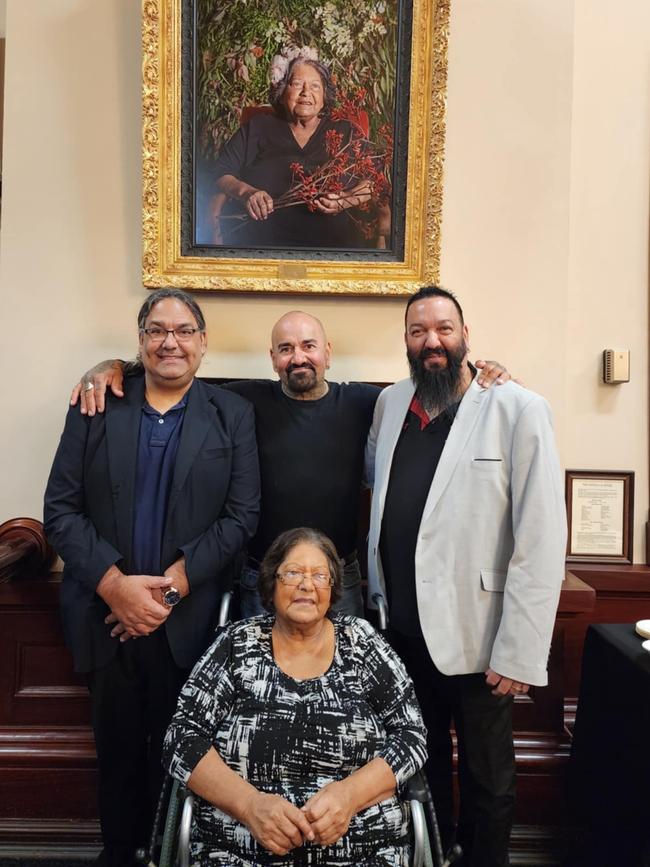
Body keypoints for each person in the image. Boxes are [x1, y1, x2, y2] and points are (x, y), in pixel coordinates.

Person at [70, 311, 510, 622]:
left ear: (328, 353)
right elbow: (175, 373)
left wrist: (490, 373)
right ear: (272, 357)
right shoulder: (241, 401)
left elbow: (439, 392)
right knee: (262, 697)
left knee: (341, 693)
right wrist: (113, 366)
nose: (298, 357)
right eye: (285, 348)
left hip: (341, 577)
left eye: (308, 346)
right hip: (260, 576)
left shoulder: (367, 403)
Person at [44, 288, 260, 867]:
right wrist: (116, 587)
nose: (171, 341)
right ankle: (119, 854)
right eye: (157, 330)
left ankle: (174, 855)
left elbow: (242, 517)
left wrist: (165, 592)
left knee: (184, 756)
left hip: (185, 623)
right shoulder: (95, 406)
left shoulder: (232, 413)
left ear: (204, 342)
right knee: (115, 757)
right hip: (103, 618)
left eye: (185, 330)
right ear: (139, 342)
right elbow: (60, 512)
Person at [365, 285, 567, 867]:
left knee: (488, 776)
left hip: (482, 637)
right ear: (405, 340)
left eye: (443, 329)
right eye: (418, 331)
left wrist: (520, 648)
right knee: (418, 767)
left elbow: (542, 537)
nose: (432, 341)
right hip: (402, 630)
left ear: (465, 335)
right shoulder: (391, 403)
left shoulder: (516, 407)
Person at [162, 527, 427, 866]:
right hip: (241, 853)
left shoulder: (362, 643)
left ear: (333, 591)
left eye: (320, 575)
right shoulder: (236, 645)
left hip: (363, 852)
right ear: (271, 586)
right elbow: (182, 738)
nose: (306, 585)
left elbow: (412, 735)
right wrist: (250, 806)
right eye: (292, 574)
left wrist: (350, 796)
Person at [210, 54, 375, 248]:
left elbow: (372, 182)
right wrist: (247, 192)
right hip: (261, 243)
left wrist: (346, 200)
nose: (305, 92)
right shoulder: (258, 127)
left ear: (324, 98)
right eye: (297, 84)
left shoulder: (345, 132)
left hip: (332, 247)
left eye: (315, 86)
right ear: (282, 93)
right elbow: (221, 172)